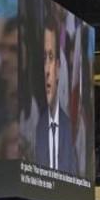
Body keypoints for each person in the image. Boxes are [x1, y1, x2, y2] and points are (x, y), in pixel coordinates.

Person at [33, 13, 77, 175]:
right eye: (42, 58)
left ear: (58, 68)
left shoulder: (71, 127)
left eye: (50, 57)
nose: (46, 70)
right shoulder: (34, 128)